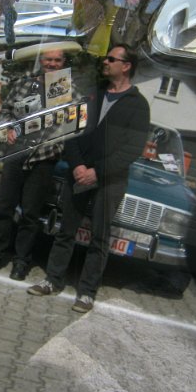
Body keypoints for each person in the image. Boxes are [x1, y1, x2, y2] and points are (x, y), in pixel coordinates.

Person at [27, 44, 150, 313]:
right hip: (79, 174)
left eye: (111, 59)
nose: (105, 62)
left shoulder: (138, 105)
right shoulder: (93, 95)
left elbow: (131, 149)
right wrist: (78, 165)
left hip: (110, 181)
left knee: (99, 239)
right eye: (106, 58)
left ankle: (86, 293)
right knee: (66, 231)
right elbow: (72, 131)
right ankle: (52, 280)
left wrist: (97, 171)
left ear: (126, 66)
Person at [0, 49, 70, 281]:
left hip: (43, 159)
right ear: (42, 60)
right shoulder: (23, 84)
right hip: (15, 154)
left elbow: (68, 126)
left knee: (30, 214)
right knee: (4, 208)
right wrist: (9, 128)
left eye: (57, 60)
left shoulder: (68, 90)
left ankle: (21, 261)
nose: (52, 64)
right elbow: (6, 110)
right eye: (48, 59)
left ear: (64, 62)